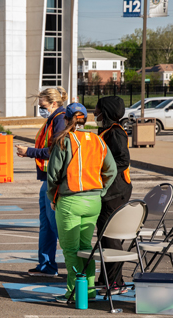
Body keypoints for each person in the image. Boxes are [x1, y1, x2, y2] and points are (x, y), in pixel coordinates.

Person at [46, 103, 117, 304]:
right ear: (85, 119)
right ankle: (90, 290)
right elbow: (111, 170)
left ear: (67, 119)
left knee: (70, 250)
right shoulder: (97, 140)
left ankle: (74, 292)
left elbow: (52, 176)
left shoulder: (63, 141)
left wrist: (52, 198)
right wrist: (100, 190)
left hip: (70, 200)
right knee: (86, 247)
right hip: (93, 201)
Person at [14, 87, 69, 278]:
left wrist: (28, 152)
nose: (41, 108)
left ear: (54, 103)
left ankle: (75, 267)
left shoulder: (60, 119)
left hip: (54, 181)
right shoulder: (53, 119)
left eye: (43, 105)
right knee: (46, 224)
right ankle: (46, 265)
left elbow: (55, 150)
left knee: (55, 225)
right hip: (47, 179)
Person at [92, 96, 133, 295]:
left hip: (116, 191)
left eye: (97, 110)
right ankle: (105, 279)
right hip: (107, 190)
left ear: (105, 111)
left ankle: (116, 282)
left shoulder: (116, 133)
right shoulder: (105, 131)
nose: (94, 113)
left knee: (111, 236)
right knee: (104, 236)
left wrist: (105, 172)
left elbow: (122, 160)